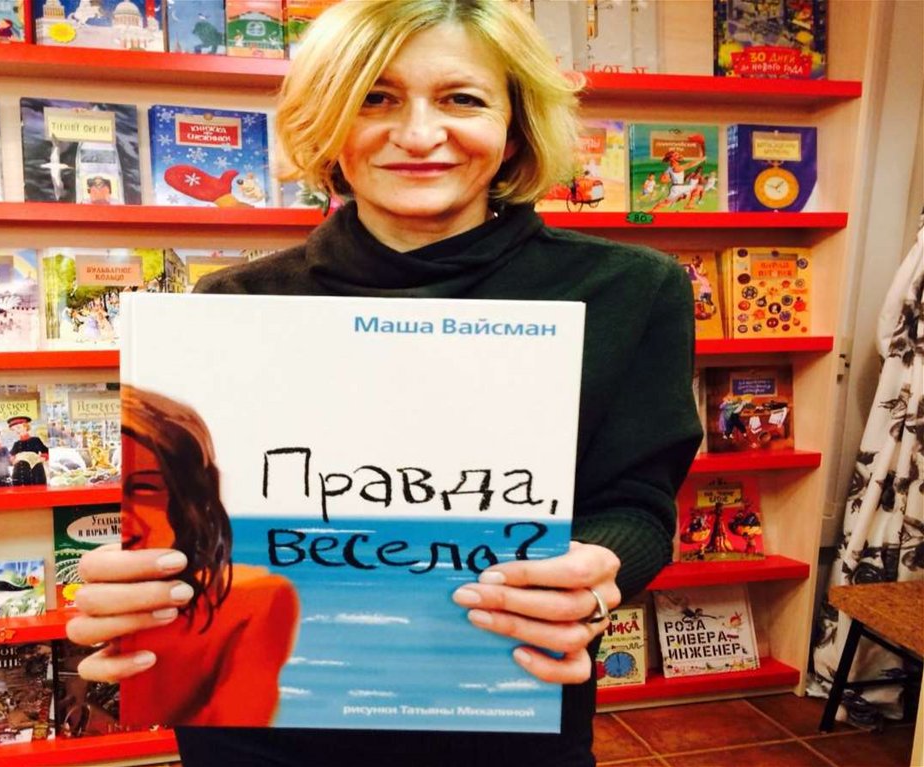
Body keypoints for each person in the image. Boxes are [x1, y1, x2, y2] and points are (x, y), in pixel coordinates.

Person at [68, 1, 702, 765]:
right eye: (376, 97)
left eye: (462, 98)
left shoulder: (630, 291)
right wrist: (144, 591)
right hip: (264, 730)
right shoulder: (233, 305)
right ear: (329, 119)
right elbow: (197, 524)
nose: (419, 134)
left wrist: (597, 579)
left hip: (503, 713)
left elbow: (637, 505)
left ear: (514, 126)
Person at [100, 384, 299, 725]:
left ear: (192, 502)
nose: (122, 516)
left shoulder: (252, 602)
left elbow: (238, 727)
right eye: (110, 492)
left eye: (144, 488)